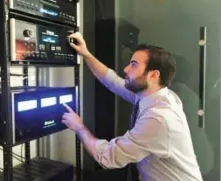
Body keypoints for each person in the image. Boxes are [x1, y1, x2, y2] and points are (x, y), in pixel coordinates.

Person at [61, 32, 203, 181]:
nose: (126, 69)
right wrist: (86, 54)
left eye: (134, 65)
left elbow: (109, 157)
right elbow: (113, 81)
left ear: (153, 75)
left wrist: (79, 127)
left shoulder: (159, 117)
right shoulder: (156, 95)